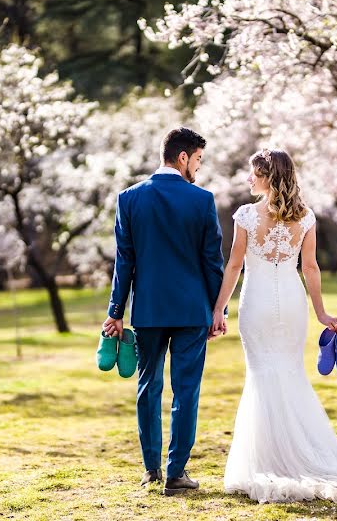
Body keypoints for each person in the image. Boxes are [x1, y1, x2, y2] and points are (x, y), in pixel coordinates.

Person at [212, 148, 337, 504]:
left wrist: (219, 308)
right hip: (293, 305)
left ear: (268, 177)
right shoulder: (306, 216)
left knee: (262, 375)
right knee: (290, 373)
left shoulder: (247, 216)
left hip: (258, 304)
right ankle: (305, 454)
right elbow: (310, 268)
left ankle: (267, 461)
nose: (248, 179)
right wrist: (321, 313)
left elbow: (234, 266)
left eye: (254, 173)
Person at [103, 127, 227, 496]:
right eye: (198, 160)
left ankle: (150, 470)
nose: (199, 169)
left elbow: (124, 261)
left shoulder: (129, 198)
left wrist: (116, 310)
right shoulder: (202, 201)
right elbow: (212, 263)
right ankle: (176, 474)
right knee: (186, 391)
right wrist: (217, 309)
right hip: (192, 310)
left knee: (148, 387)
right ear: (183, 157)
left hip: (149, 310)